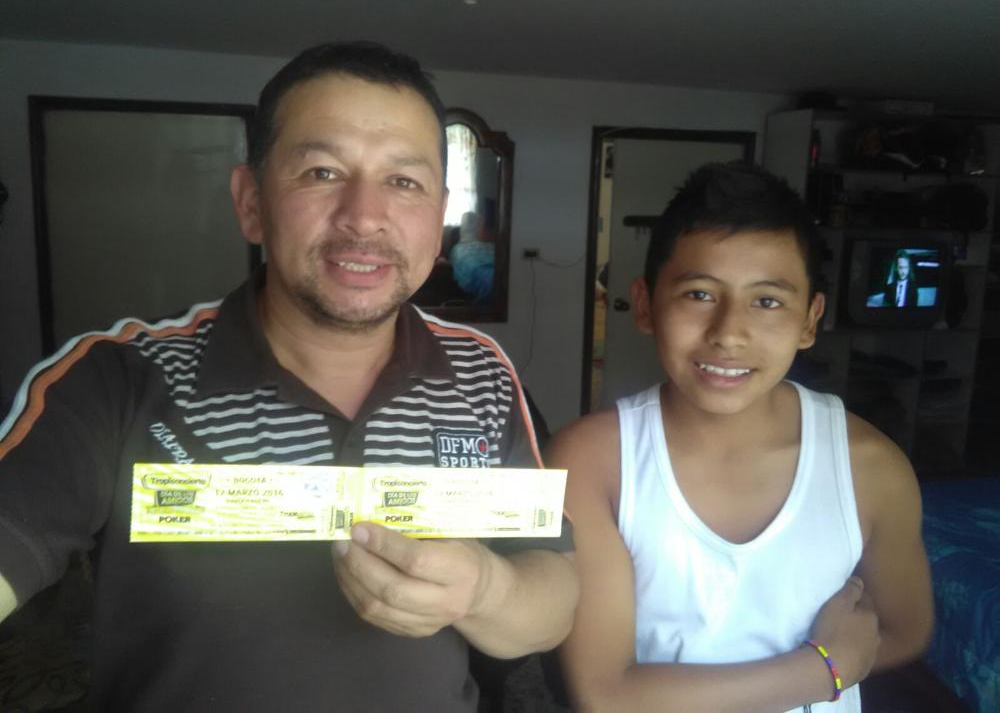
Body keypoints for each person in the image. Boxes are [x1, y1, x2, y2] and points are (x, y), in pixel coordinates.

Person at [0, 41, 577, 710]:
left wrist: (485, 590)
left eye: (403, 181)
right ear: (251, 203)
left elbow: (553, 600)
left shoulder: (483, 373)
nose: (364, 216)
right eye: (322, 172)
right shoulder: (118, 377)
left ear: (439, 214)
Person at [551, 163, 933, 712]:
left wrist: (834, 664)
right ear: (645, 304)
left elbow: (903, 630)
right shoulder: (592, 462)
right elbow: (606, 695)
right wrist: (823, 668)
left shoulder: (869, 467)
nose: (729, 333)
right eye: (699, 294)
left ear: (810, 319)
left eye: (768, 301)